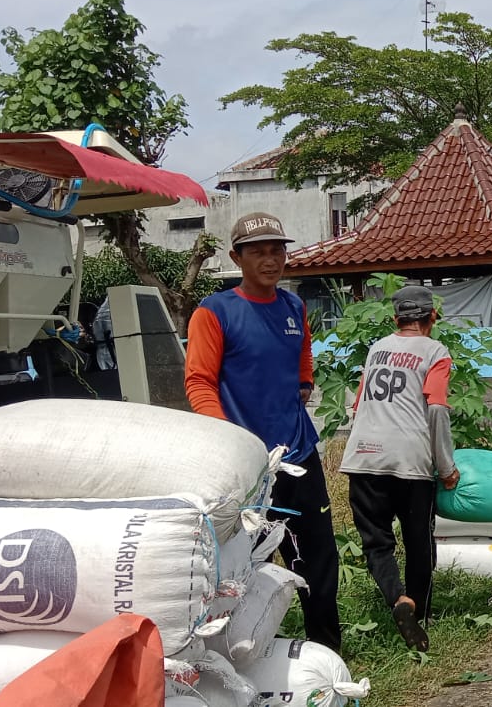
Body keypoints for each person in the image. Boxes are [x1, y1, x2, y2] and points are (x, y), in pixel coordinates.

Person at [184, 212, 341, 652]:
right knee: (250, 561)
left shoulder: (293, 307)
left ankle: (326, 651)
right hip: (249, 466)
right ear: (237, 258)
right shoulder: (215, 312)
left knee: (317, 556)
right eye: (258, 252)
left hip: (299, 454)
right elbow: (199, 382)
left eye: (277, 251)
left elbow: (302, 351)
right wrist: (228, 444)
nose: (271, 260)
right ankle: (245, 651)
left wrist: (304, 382)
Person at [339, 285, 459, 652]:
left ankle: (397, 599)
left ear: (396, 319)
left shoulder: (376, 348)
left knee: (377, 543)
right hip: (409, 460)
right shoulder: (435, 352)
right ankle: (420, 614)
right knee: (418, 540)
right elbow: (436, 408)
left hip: (363, 457)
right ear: (432, 317)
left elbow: (358, 404)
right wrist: (446, 466)